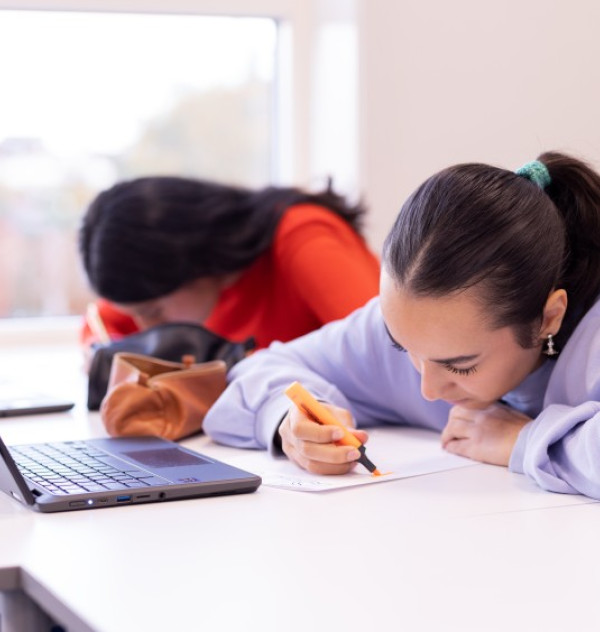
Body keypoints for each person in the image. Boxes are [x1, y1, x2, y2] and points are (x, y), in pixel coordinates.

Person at [203, 151, 600, 500]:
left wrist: (524, 441)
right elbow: (260, 369)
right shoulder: (414, 324)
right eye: (402, 348)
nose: (428, 390)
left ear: (549, 317)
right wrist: (294, 420)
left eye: (460, 365)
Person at [79, 177, 380, 351]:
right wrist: (101, 352)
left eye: (153, 312)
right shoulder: (159, 286)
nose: (147, 329)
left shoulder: (303, 236)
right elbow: (101, 324)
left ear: (191, 262)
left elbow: (385, 353)